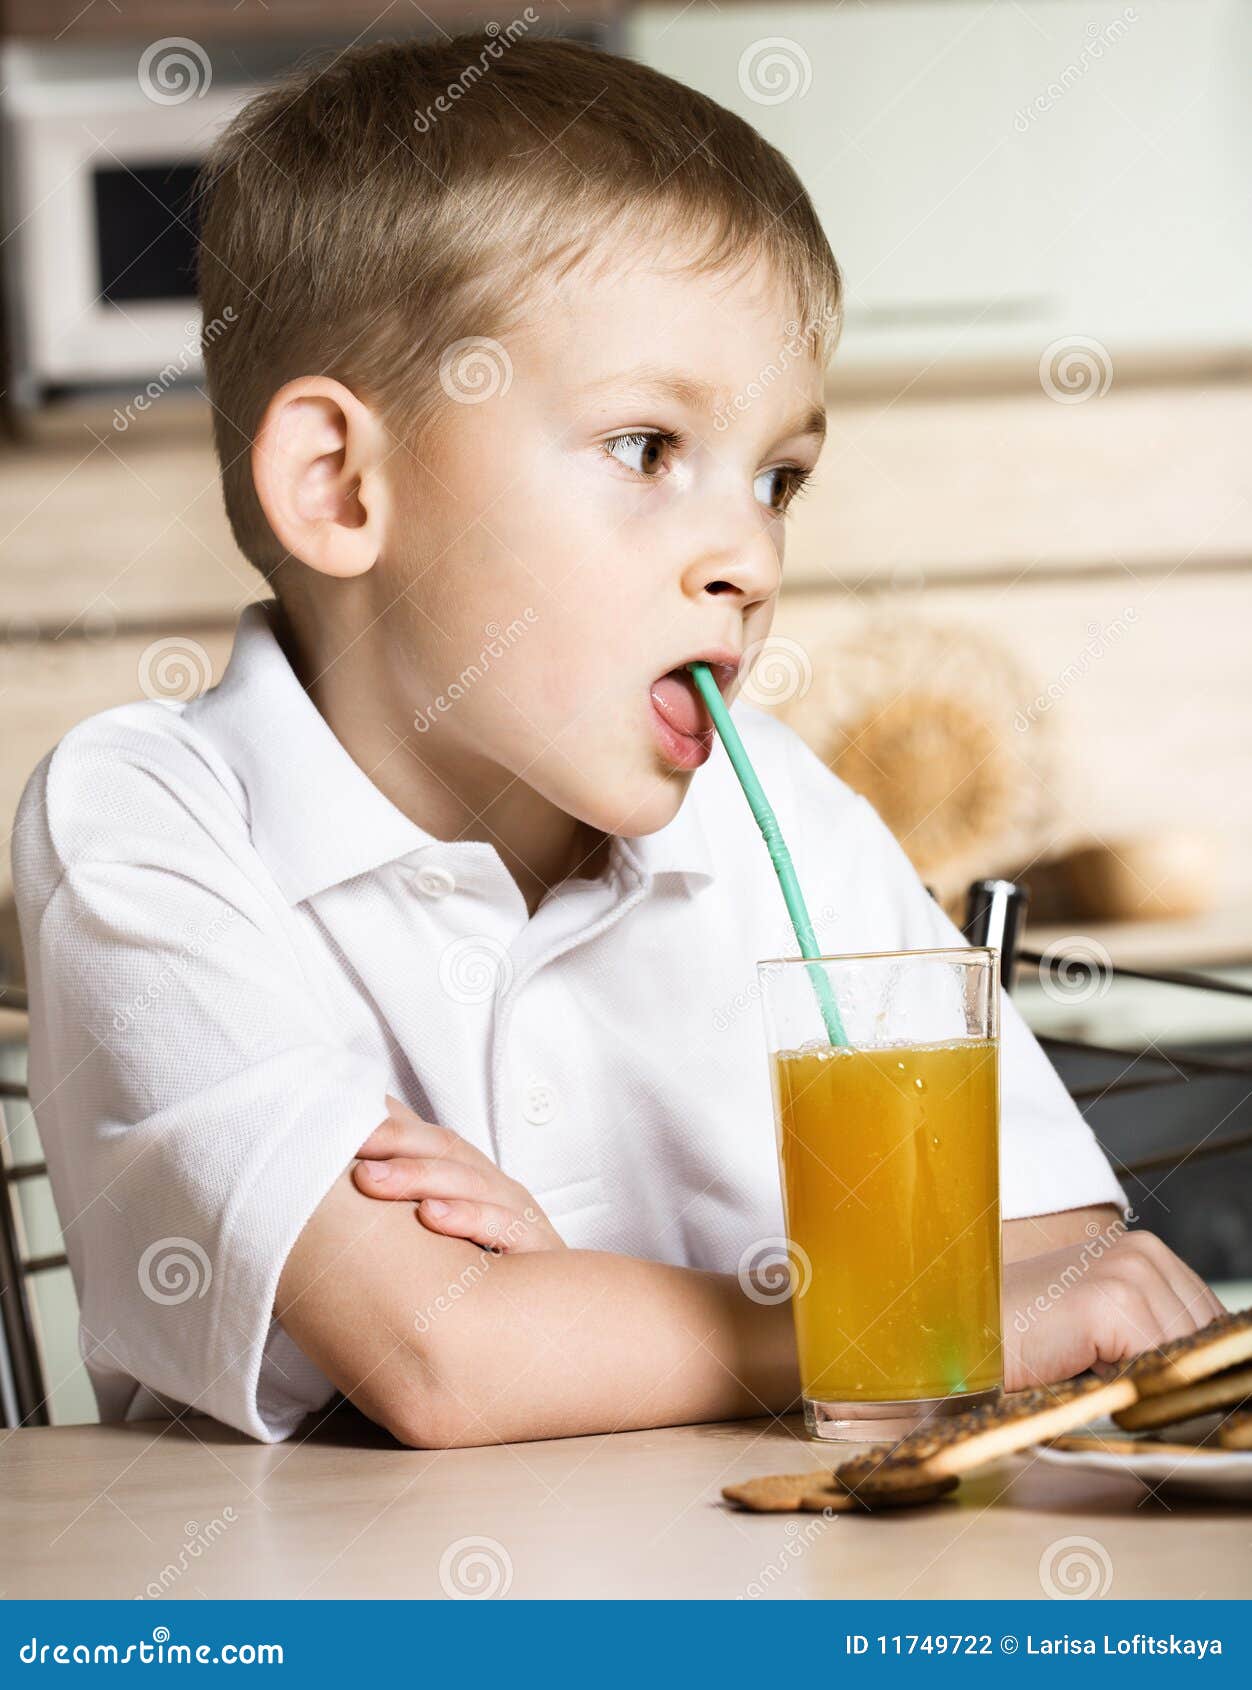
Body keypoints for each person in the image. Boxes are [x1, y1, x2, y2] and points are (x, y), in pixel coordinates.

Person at [12, 35, 1222, 1446]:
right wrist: (825, 1318)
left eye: (779, 478)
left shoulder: (785, 809)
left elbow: (1062, 1281)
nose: (748, 554)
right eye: (648, 448)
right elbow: (451, 1360)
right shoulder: (148, 818)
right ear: (341, 487)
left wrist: (591, 1311)